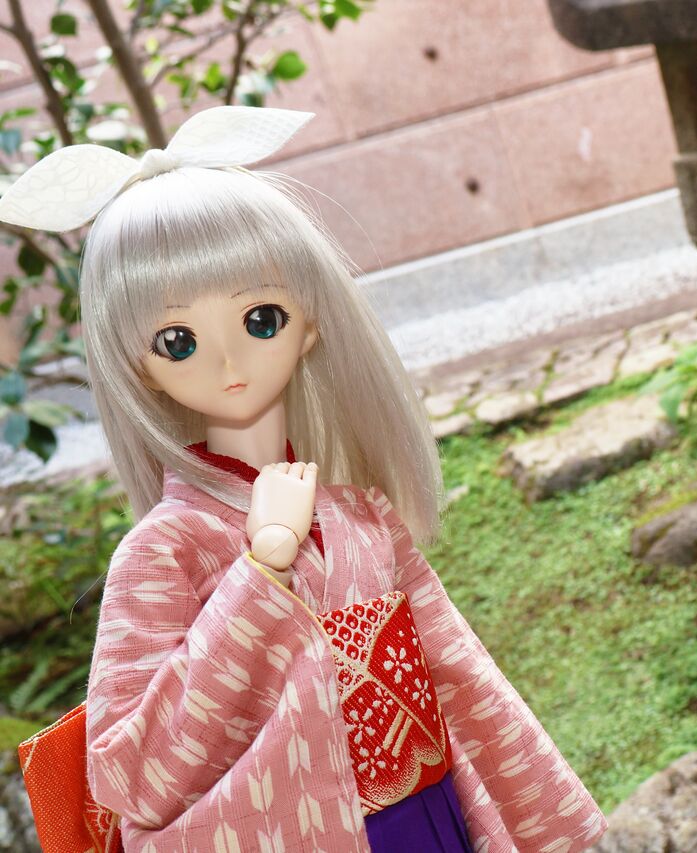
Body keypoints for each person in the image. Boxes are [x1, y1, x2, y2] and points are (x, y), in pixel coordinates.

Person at [0, 106, 607, 852]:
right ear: (140, 367)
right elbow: (130, 775)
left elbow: (459, 676)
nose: (228, 362)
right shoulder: (166, 550)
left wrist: (537, 815)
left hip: (427, 817)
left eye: (262, 319)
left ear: (310, 323)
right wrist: (259, 571)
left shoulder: (363, 517)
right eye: (178, 340)